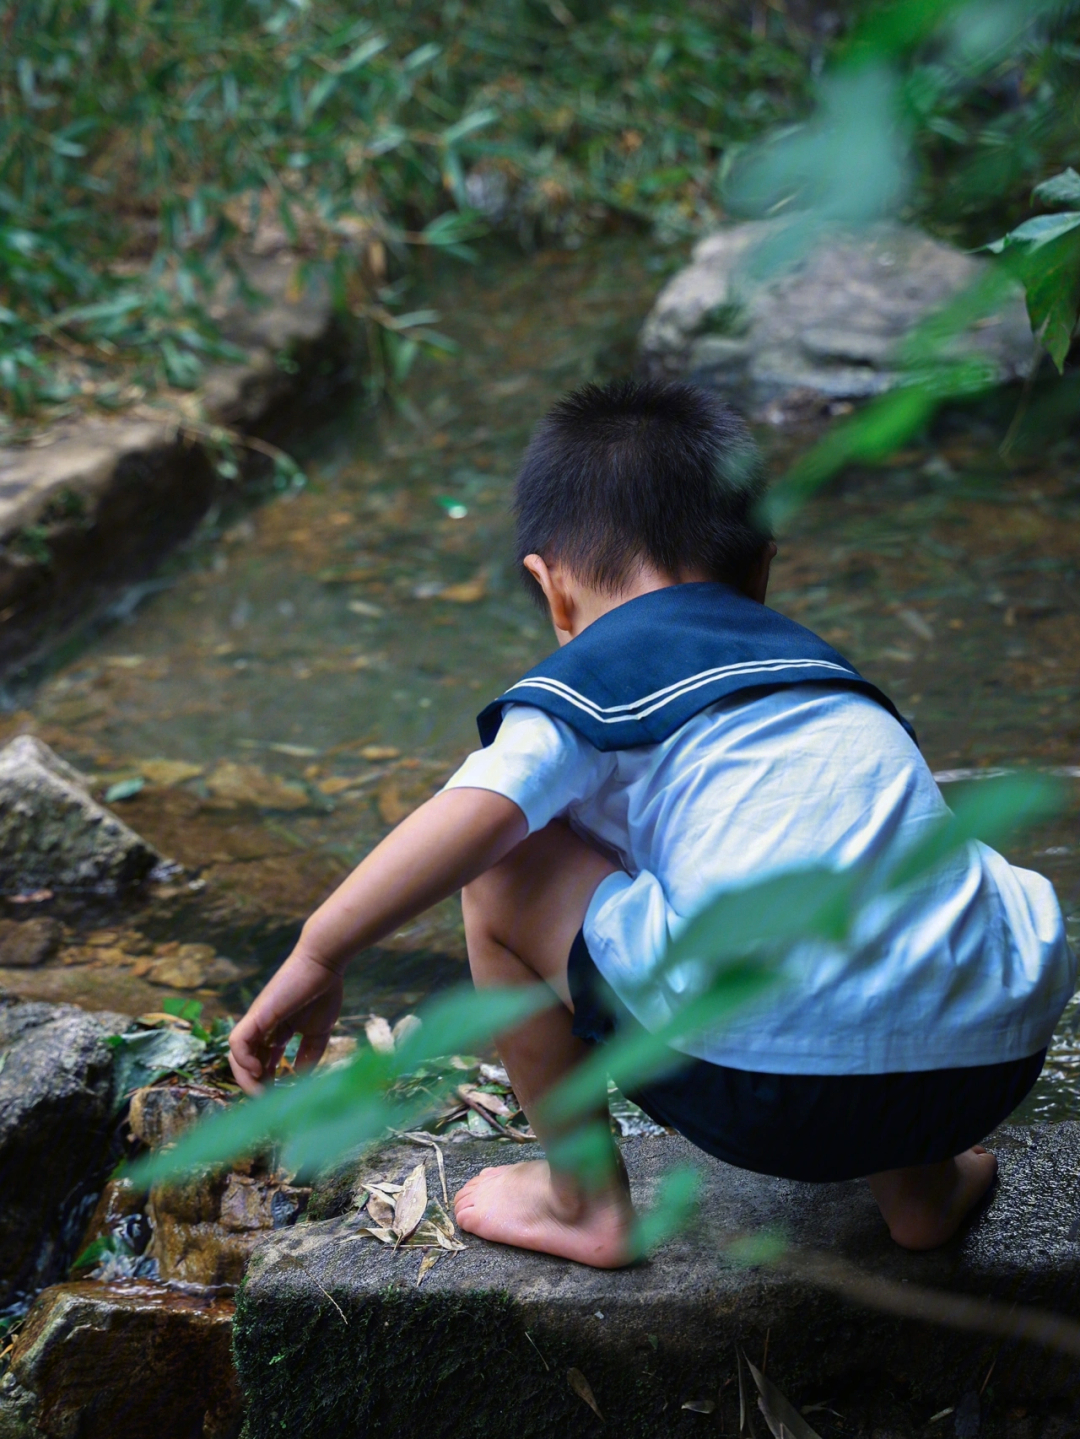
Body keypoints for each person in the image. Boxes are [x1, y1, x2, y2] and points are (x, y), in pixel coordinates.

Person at [228, 378, 1074, 1270]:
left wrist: (322, 950)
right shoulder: (828, 680)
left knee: (506, 864)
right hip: (989, 1060)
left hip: (768, 1090)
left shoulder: (595, 674)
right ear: (762, 568)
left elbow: (472, 817)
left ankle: (582, 1199)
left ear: (551, 591)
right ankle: (922, 1192)